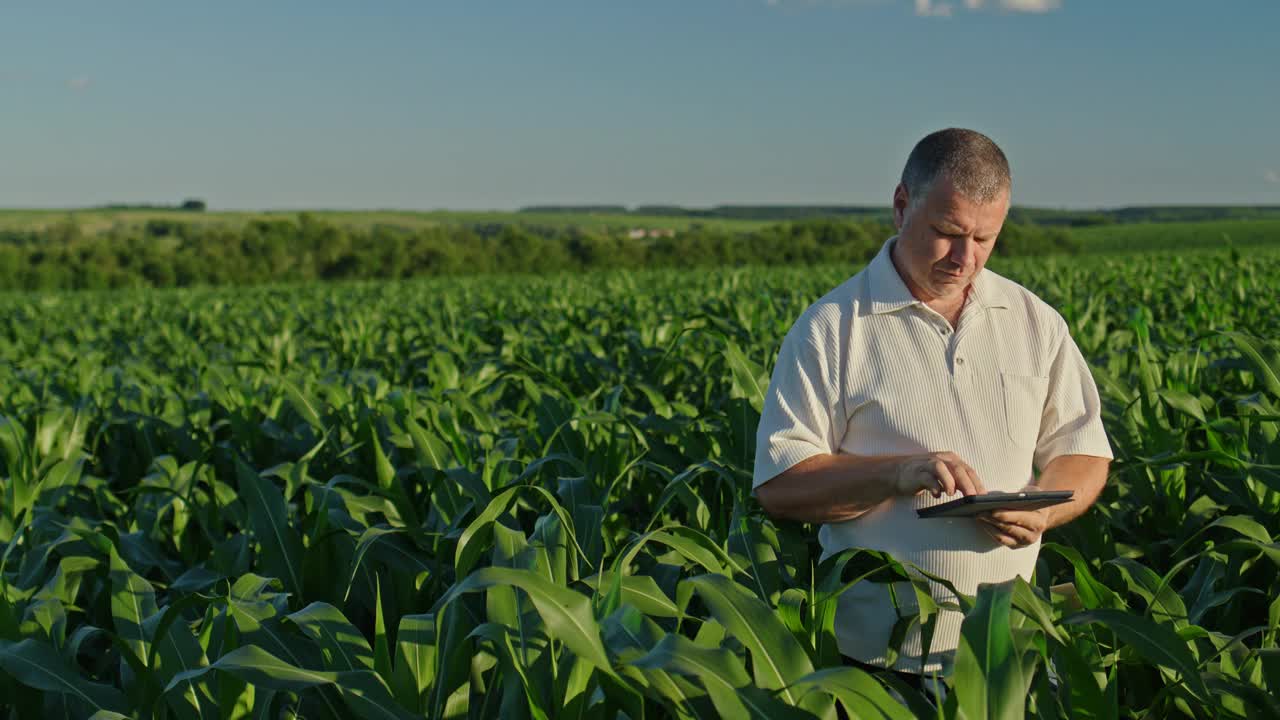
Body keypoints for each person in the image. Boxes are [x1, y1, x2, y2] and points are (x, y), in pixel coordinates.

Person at [751, 128, 1113, 687]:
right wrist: (897, 474)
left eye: (985, 238)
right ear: (901, 206)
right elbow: (780, 487)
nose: (965, 258)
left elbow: (1082, 452)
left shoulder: (1034, 321)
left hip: (1008, 656)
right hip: (876, 663)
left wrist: (1043, 512)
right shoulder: (833, 328)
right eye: (946, 232)